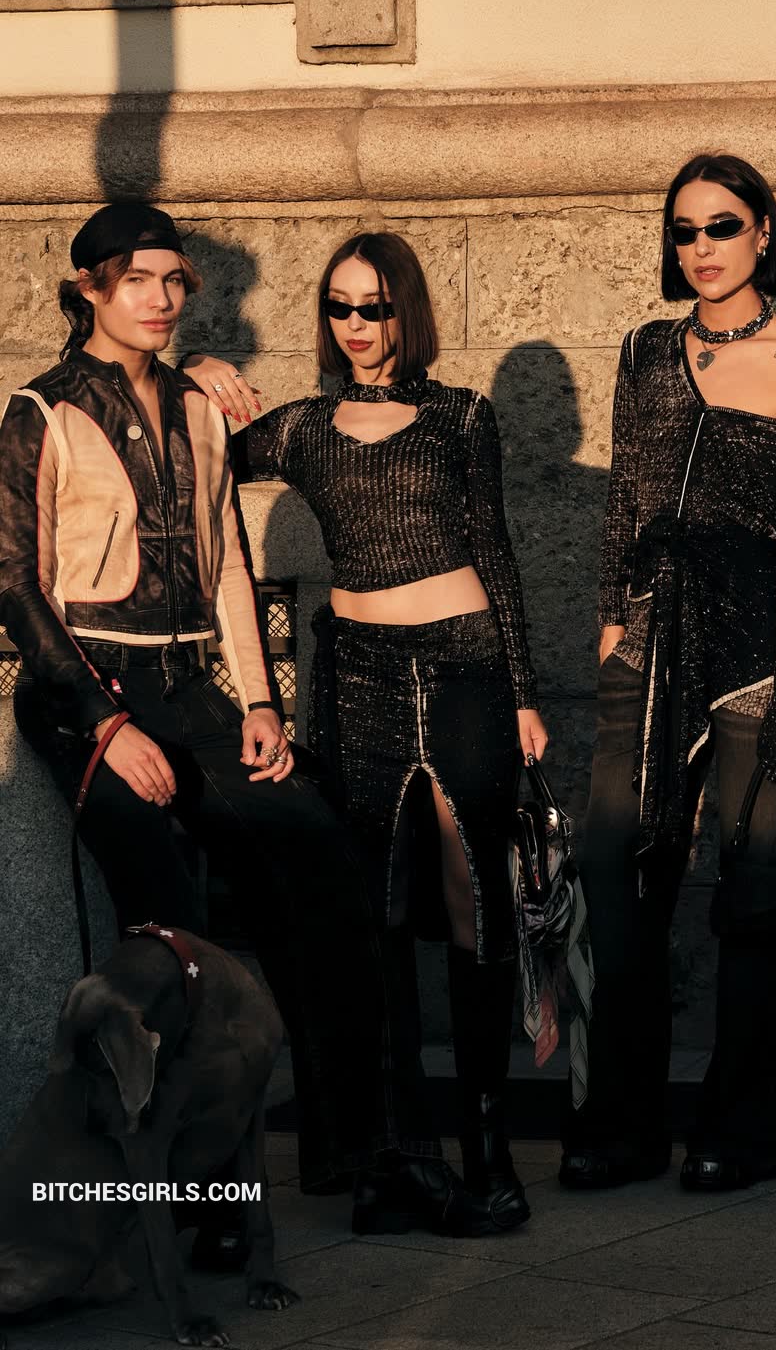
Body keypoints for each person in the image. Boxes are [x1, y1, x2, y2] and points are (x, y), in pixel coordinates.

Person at [0, 201, 407, 1247]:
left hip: (191, 686)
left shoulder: (197, 404)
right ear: (89, 288)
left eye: (174, 280)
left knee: (320, 859)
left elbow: (229, 563)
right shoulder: (39, 411)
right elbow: (15, 583)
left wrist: (261, 702)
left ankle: (358, 1153)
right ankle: (201, 1198)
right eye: (137, 279)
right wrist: (103, 724)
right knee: (174, 929)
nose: (161, 298)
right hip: (87, 690)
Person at [184, 230, 547, 1236]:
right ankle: (397, 1158)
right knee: (374, 910)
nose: (356, 325)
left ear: (407, 312)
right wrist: (192, 369)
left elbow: (495, 550)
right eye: (339, 306)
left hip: (466, 667)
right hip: (359, 674)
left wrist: (524, 692)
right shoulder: (302, 427)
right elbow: (184, 446)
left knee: (475, 900)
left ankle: (488, 1150)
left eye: (374, 307)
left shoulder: (461, 414)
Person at [558, 153, 776, 1193]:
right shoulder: (646, 350)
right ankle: (623, 1123)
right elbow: (626, 501)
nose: (702, 247)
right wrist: (610, 621)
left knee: (754, 895)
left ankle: (744, 1129)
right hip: (648, 645)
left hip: (756, 657)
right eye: (684, 229)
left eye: (723, 225)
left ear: (764, 231)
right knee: (616, 880)